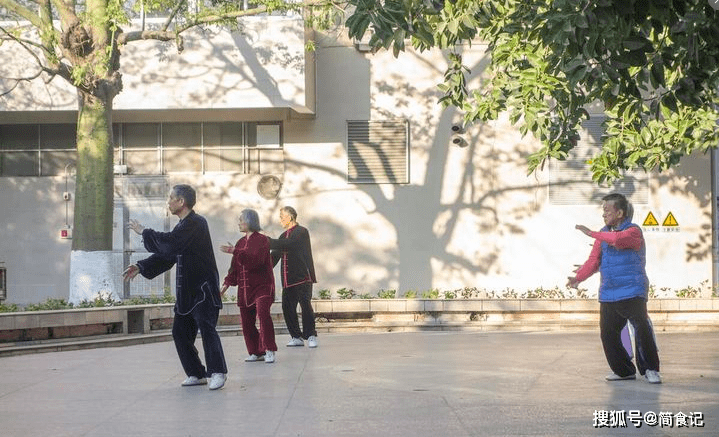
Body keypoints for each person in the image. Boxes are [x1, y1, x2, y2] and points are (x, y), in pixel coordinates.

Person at [122, 184, 228, 390]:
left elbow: (171, 244)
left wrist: (144, 231)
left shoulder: (197, 223)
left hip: (202, 290)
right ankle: (197, 374)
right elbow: (169, 254)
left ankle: (217, 372)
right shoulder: (181, 227)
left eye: (171, 198)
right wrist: (141, 266)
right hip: (187, 292)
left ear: (181, 202)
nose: (168, 202)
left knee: (207, 330)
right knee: (180, 333)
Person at [567, 193, 661, 384]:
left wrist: (591, 233)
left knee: (641, 329)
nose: (604, 214)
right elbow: (594, 261)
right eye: (603, 210)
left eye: (607, 210)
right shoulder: (603, 235)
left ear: (620, 213)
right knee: (608, 334)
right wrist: (578, 278)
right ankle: (624, 370)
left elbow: (618, 239)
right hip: (609, 292)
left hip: (632, 290)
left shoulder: (633, 231)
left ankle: (651, 369)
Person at [220, 209, 278, 363]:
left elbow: (255, 261)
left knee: (263, 314)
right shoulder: (240, 243)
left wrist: (235, 251)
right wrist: (224, 287)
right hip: (245, 290)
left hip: (262, 286)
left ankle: (269, 349)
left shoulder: (263, 240)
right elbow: (234, 269)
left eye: (241, 220)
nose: (239, 223)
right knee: (247, 321)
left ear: (250, 221)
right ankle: (256, 351)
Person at [269, 206, 318, 348]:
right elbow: (273, 257)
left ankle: (310, 335)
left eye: (282, 217)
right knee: (287, 308)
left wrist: (267, 241)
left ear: (290, 217)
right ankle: (296, 336)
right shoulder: (282, 236)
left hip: (303, 277)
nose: (280, 220)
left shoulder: (301, 232)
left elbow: (291, 244)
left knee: (305, 307)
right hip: (288, 280)